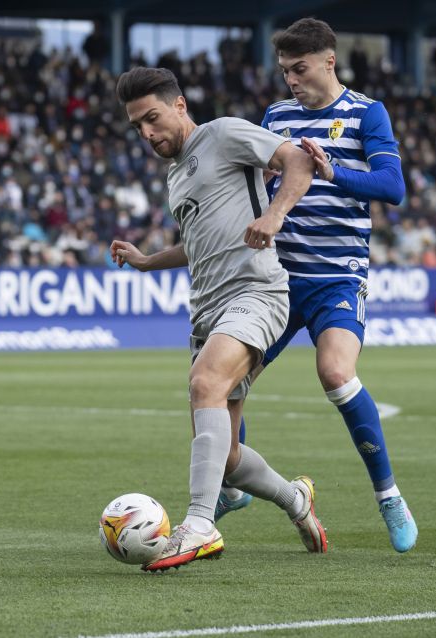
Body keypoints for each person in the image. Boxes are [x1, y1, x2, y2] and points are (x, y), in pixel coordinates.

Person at [109, 67, 325, 572]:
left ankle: (200, 524)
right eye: (137, 126)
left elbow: (296, 160)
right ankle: (296, 500)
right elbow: (198, 245)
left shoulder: (225, 133)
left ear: (179, 105)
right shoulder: (175, 174)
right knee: (225, 456)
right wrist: (146, 260)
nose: (146, 133)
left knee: (204, 381)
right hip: (207, 311)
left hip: (257, 292)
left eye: (152, 118)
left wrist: (274, 216)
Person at [218, 17, 418, 554]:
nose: (291, 81)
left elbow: (392, 187)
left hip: (336, 275)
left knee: (335, 371)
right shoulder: (277, 115)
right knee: (225, 380)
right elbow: (260, 179)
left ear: (329, 61)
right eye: (285, 71)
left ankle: (389, 496)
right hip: (277, 279)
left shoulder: (366, 112)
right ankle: (232, 486)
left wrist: (333, 173)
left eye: (300, 69)